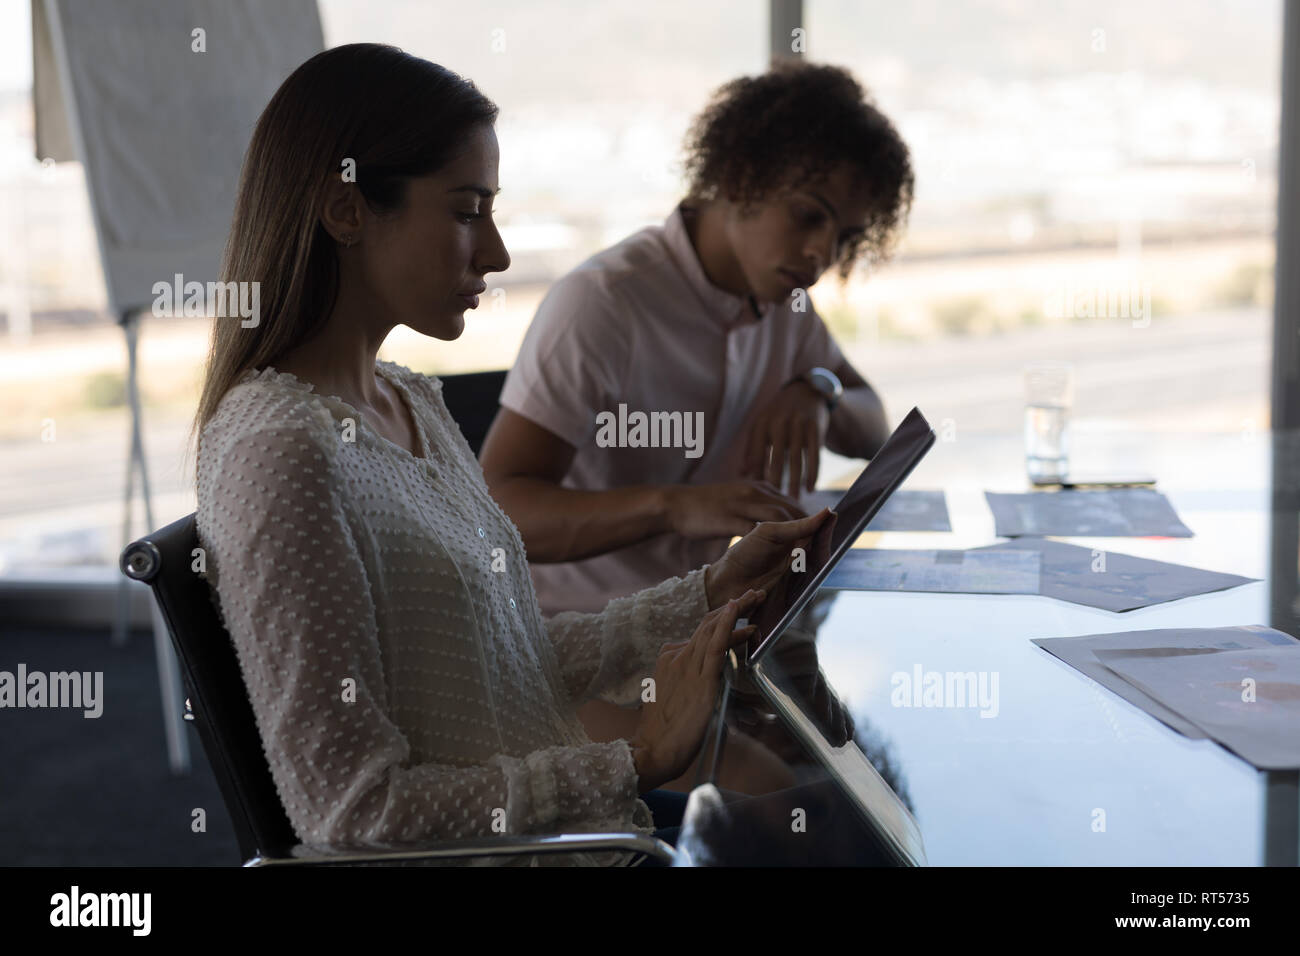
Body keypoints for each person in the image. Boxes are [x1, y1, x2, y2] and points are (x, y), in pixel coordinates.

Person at [190, 43, 831, 865]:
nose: (494, 253)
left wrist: (710, 591)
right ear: (346, 210)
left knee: (827, 814)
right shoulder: (279, 457)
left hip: (582, 841)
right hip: (556, 849)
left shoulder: (407, 400)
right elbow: (354, 811)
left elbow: (511, 664)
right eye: (466, 212)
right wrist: (637, 761)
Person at [478, 61, 913, 752]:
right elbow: (498, 510)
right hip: (588, 647)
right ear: (740, 174)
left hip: (717, 629)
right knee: (804, 791)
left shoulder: (786, 306)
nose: (821, 253)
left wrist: (818, 392)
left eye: (844, 238)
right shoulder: (606, 303)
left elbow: (875, 425)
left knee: (868, 754)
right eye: (809, 216)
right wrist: (674, 505)